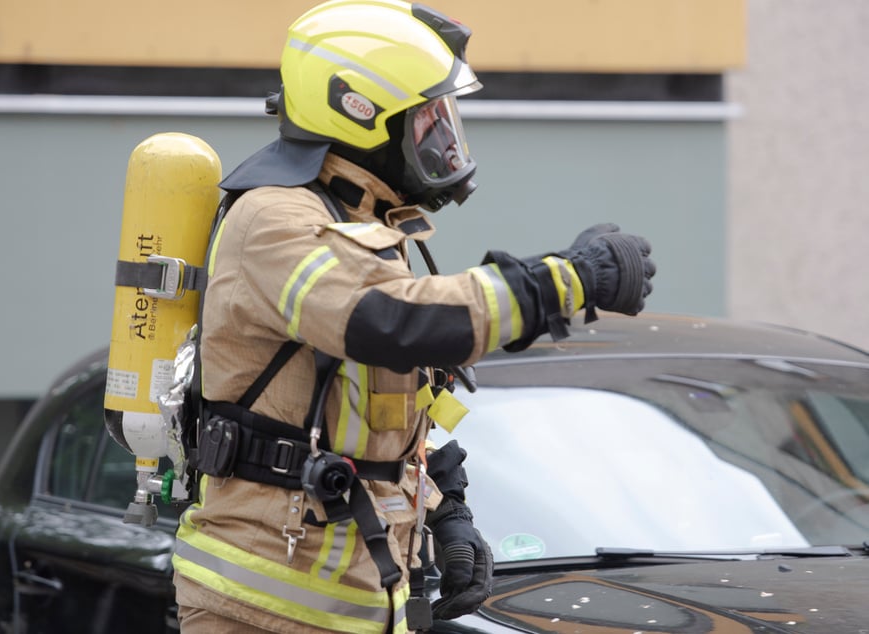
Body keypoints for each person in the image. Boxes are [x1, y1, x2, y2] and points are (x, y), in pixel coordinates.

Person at [171, 0, 656, 632]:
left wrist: (446, 508)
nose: (442, 137)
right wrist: (561, 281)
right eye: (425, 118)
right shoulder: (276, 221)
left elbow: (371, 410)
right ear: (357, 110)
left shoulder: (368, 222)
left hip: (357, 602)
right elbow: (390, 322)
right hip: (263, 602)